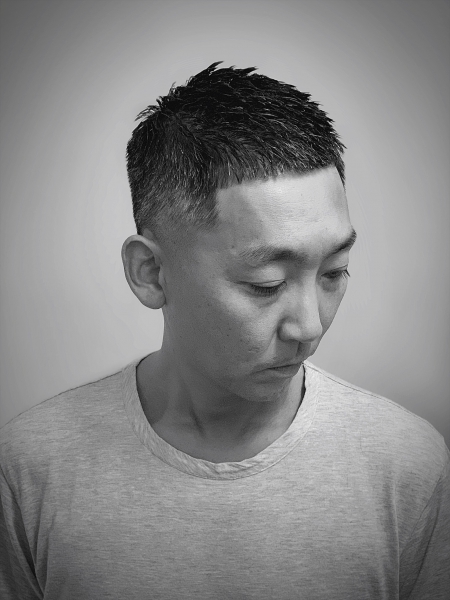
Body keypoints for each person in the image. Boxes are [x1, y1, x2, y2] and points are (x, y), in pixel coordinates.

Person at [0, 62, 448, 600]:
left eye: (334, 272)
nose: (309, 327)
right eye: (266, 284)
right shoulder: (30, 468)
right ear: (151, 272)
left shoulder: (408, 465)